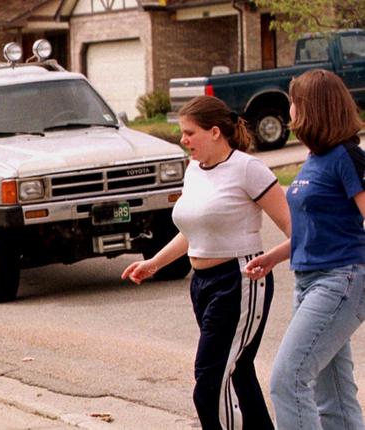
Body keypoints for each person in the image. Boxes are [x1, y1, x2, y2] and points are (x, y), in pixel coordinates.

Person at [121, 95, 291, 429]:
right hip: (202, 285)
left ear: (215, 132)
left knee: (210, 384)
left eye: (189, 133)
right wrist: (154, 262)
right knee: (238, 374)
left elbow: (296, 230)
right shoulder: (194, 170)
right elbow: (193, 231)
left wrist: (270, 258)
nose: (183, 140)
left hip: (240, 279)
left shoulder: (247, 168)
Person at [245, 69, 365, 430]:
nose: (289, 109)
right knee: (335, 397)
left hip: (341, 280)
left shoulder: (348, 157)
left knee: (288, 379)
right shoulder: (315, 158)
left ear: (313, 107)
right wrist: (272, 257)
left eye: (294, 102)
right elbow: (314, 228)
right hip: (309, 280)